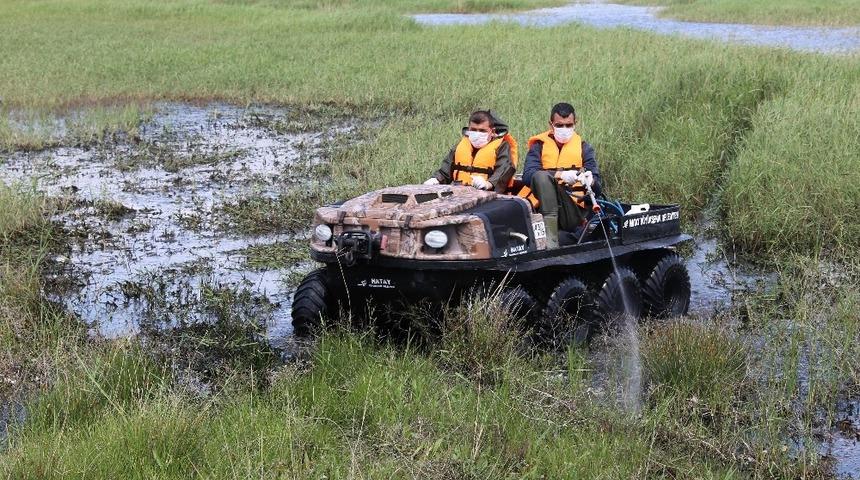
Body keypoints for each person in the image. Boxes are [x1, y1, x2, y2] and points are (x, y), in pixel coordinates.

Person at [522, 102, 602, 248]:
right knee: (540, 177)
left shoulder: (584, 148)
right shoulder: (539, 146)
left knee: (542, 176)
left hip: (572, 212)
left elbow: (598, 189)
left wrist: (591, 181)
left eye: (568, 125)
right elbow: (528, 175)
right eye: (559, 125)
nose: (564, 129)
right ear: (551, 124)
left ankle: (551, 242)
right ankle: (550, 234)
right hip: (542, 207)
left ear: (575, 124)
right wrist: (561, 175)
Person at [424, 110, 517, 193]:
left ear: (492, 131)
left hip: (488, 195)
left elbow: (504, 169)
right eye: (473, 130)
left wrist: (489, 184)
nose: (477, 134)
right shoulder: (461, 145)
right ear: (468, 129)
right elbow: (446, 170)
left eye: (482, 131)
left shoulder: (502, 146)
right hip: (458, 192)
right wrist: (436, 179)